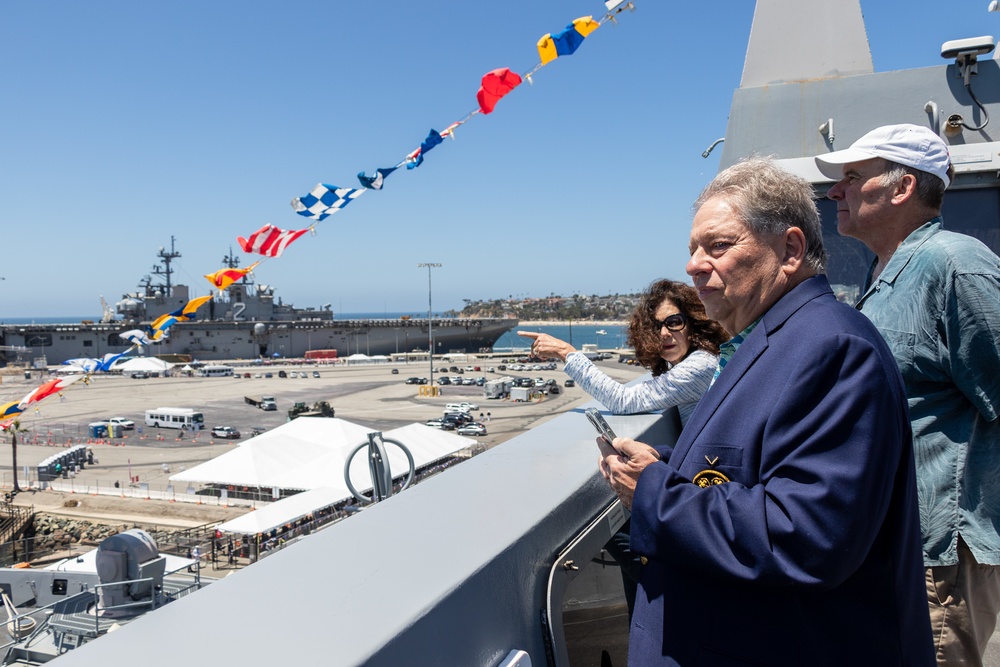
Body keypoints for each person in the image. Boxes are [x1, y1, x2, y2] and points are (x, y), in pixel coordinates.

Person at [600, 157, 933, 665]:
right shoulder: (770, 340)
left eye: (717, 246)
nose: (693, 265)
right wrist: (669, 463)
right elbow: (759, 461)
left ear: (790, 250)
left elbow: (805, 536)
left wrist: (652, 492)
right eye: (692, 249)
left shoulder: (832, 348)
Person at [816, 123, 1000, 666]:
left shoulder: (956, 265)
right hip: (895, 543)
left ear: (901, 188)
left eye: (852, 178)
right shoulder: (886, 272)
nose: (835, 192)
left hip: (939, 555)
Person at [518, 280, 727, 426]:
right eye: (656, 327)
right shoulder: (705, 359)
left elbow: (622, 401)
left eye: (674, 322)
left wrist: (566, 352)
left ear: (694, 324)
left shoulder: (699, 366)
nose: (664, 333)